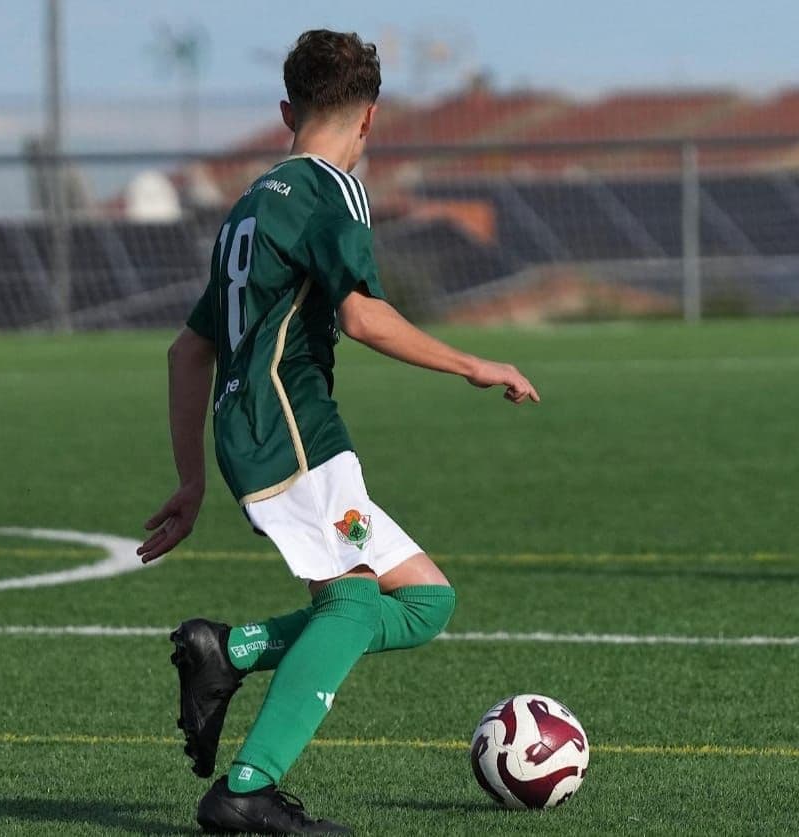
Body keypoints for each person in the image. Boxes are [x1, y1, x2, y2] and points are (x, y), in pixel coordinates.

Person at [138, 29, 540, 835]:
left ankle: (234, 649)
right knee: (352, 603)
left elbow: (190, 351)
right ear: (370, 119)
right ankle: (247, 788)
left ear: (287, 109)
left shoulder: (248, 206)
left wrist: (192, 480)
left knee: (425, 600)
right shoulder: (334, 189)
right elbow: (361, 315)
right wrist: (470, 363)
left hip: (261, 432)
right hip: (293, 429)